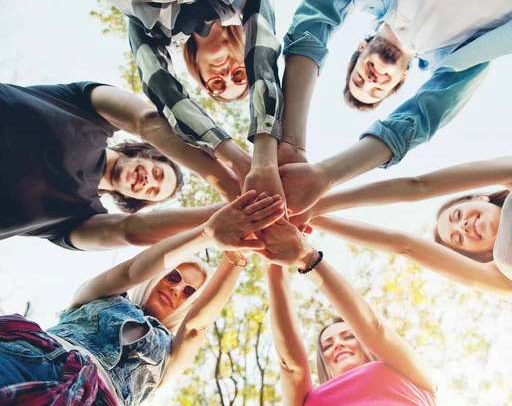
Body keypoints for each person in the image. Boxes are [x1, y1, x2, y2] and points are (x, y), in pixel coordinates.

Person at [278, 0, 512, 215]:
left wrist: (291, 140)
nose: (371, 81)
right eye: (377, 89)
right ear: (402, 79)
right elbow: (415, 122)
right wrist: (325, 175)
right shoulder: (457, 59)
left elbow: (316, 18)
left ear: (361, 48)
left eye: (359, 78)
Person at [290, 155, 512, 370]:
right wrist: (315, 219)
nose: (461, 228)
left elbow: (418, 185)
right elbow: (403, 245)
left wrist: (316, 204)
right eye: (458, 240)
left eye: (457, 216)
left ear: (477, 198)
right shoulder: (505, 276)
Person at [0, 190, 285, 405]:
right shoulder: (100, 296)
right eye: (173, 276)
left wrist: (237, 256)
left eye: (189, 292)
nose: (176, 289)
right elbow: (131, 270)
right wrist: (207, 234)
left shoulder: (170, 354)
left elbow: (197, 327)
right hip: (29, 357)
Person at [0, 81, 245, 251]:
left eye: (152, 192)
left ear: (134, 200)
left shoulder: (79, 217)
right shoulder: (89, 111)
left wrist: (234, 212)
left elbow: (129, 232)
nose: (149, 181)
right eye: (157, 173)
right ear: (148, 153)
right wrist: (233, 183)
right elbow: (146, 121)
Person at [109, 0, 288, 201]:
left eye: (217, 84)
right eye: (240, 75)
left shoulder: (156, 28)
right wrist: (260, 161)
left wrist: (237, 165)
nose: (227, 75)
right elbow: (263, 59)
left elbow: (162, 89)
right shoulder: (240, 3)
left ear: (200, 75)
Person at [255, 221, 437, 405]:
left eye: (348, 336)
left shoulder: (410, 375)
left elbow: (375, 331)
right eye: (327, 345)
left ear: (365, 344)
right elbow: (292, 367)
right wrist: (271, 261)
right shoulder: (309, 400)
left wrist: (308, 257)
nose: (338, 345)